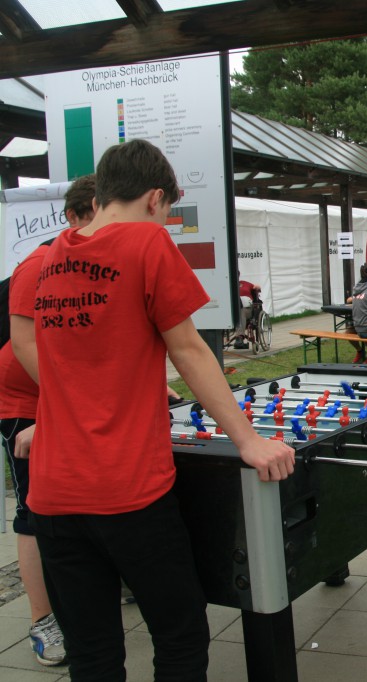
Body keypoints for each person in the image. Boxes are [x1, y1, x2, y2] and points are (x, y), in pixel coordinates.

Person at [12, 139, 295, 680]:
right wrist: (248, 440)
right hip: (127, 490)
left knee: (92, 653)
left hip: (52, 494)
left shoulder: (49, 259)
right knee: (180, 637)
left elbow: (61, 360)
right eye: (167, 211)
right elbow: (189, 349)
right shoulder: (146, 241)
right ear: (154, 198)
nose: (165, 222)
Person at [0, 175, 97, 667]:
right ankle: (43, 620)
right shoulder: (39, 264)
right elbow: (25, 346)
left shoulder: (100, 263)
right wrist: (63, 406)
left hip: (67, 400)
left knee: (87, 495)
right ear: (76, 216)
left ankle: (101, 581)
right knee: (33, 511)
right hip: (23, 403)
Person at [231, 276, 261, 349]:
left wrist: (257, 287)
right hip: (233, 310)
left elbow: (257, 289)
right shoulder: (228, 286)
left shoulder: (245, 283)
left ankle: (239, 337)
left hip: (247, 309)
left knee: (241, 311)